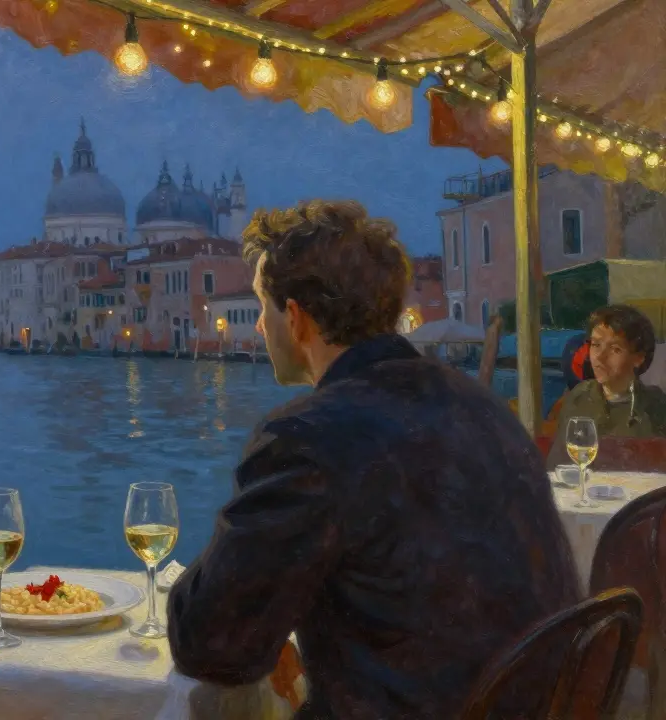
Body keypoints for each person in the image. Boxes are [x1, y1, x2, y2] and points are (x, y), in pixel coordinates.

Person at [166, 200, 579, 719]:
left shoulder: (308, 437)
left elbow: (208, 642)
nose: (260, 329)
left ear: (295, 318)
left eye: (262, 308)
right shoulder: (480, 406)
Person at [547, 304, 666, 468]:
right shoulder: (578, 398)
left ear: (639, 358)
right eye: (596, 345)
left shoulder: (655, 406)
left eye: (615, 349)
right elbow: (557, 465)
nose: (600, 357)